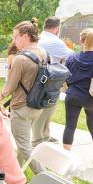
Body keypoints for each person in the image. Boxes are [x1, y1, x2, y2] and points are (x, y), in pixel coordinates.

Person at [0, 18, 47, 174]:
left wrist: (0, 97)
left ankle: (46, 178)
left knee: (25, 147)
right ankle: (16, 174)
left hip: (21, 108)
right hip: (37, 105)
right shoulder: (42, 53)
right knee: (22, 143)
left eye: (15, 36)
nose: (14, 40)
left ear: (25, 36)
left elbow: (10, 86)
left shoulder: (20, 58)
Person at [63, 28, 93, 169]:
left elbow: (66, 77)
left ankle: (65, 159)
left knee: (70, 126)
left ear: (81, 40)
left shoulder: (72, 57)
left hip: (73, 95)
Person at [32, 17, 74, 147]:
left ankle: (44, 135)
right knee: (46, 109)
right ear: (57, 28)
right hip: (51, 80)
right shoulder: (54, 41)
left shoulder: (40, 37)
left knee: (44, 108)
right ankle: (38, 139)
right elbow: (72, 56)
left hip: (40, 78)